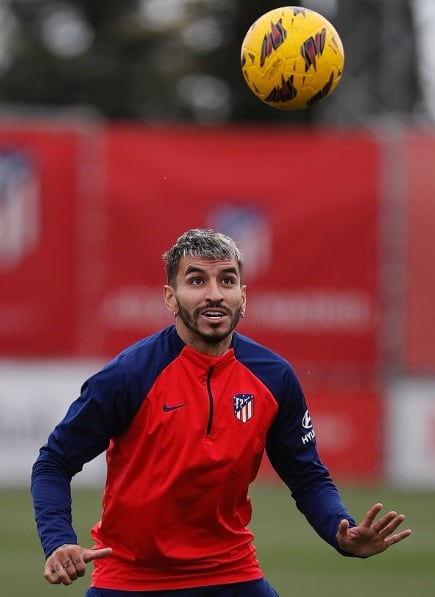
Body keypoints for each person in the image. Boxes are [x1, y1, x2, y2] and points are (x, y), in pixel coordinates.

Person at [31, 228, 411, 597]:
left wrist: (338, 529)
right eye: (196, 282)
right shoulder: (128, 376)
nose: (214, 295)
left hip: (232, 573)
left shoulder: (274, 376)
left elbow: (307, 476)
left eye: (227, 281)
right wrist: (58, 539)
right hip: (131, 580)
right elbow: (54, 463)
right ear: (170, 297)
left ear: (242, 296)